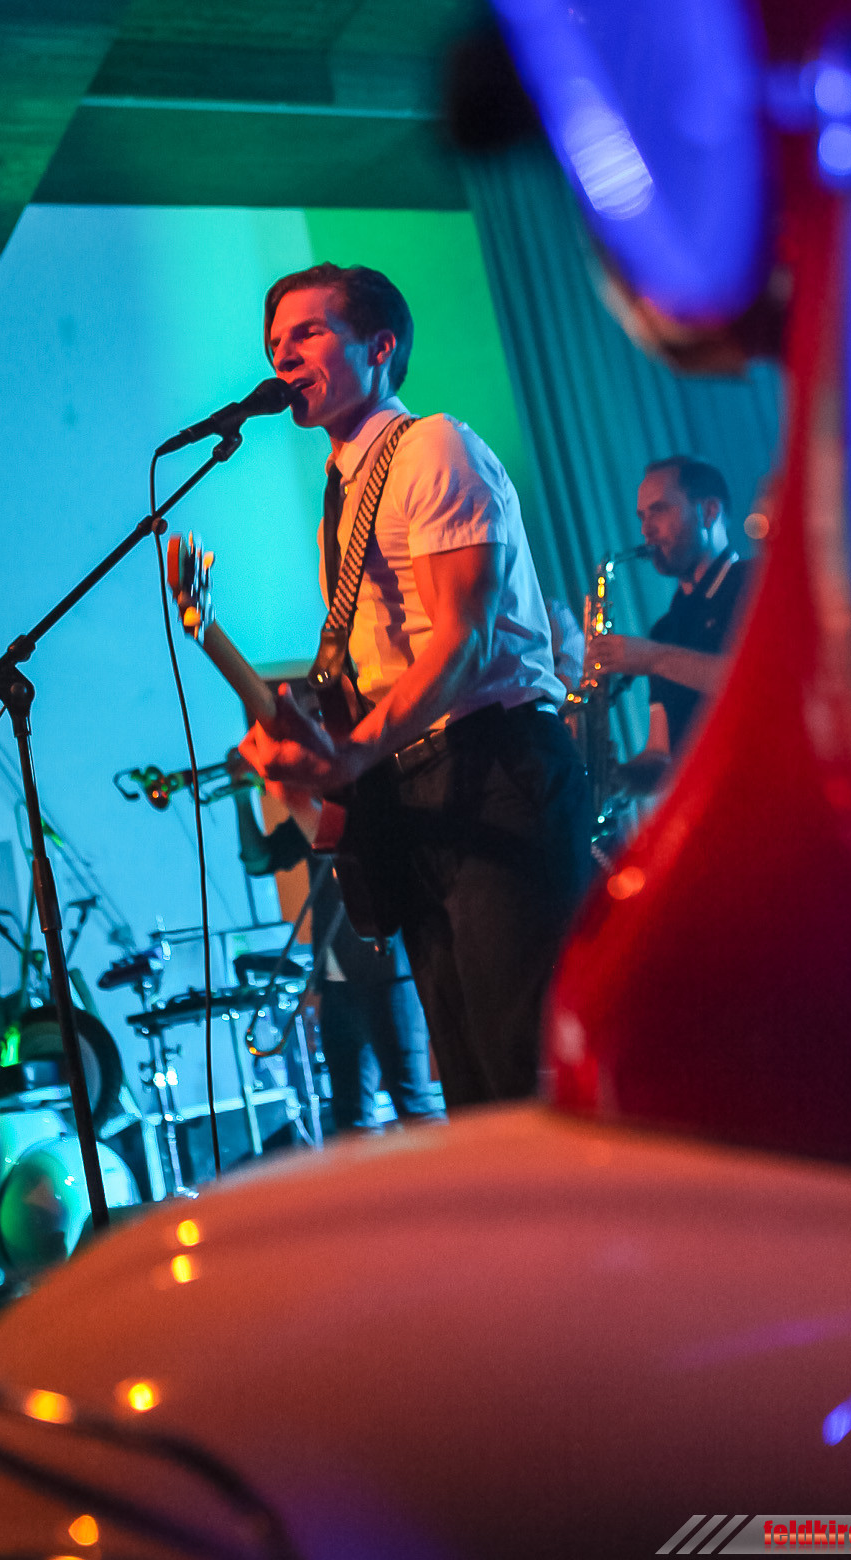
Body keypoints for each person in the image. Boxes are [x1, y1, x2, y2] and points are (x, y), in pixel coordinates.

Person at [238, 262, 593, 1108]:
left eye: (308, 333)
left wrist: (352, 753)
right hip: (415, 786)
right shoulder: (341, 493)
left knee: (524, 1065)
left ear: (379, 347)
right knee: (470, 1084)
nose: (283, 356)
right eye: (275, 342)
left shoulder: (431, 445)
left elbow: (464, 641)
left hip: (495, 769)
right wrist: (314, 757)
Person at [230, 776, 434, 1132]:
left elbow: (333, 837)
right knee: (350, 1119)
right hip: (338, 983)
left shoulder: (366, 798)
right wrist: (241, 796)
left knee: (413, 1104)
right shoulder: (315, 809)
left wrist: (285, 788)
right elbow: (259, 860)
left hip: (385, 973)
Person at [588, 456, 751, 781]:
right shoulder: (664, 630)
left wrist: (655, 659)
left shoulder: (754, 582)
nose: (646, 531)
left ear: (709, 512)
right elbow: (662, 755)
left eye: (659, 511)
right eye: (642, 517)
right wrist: (618, 779)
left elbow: (761, 682)